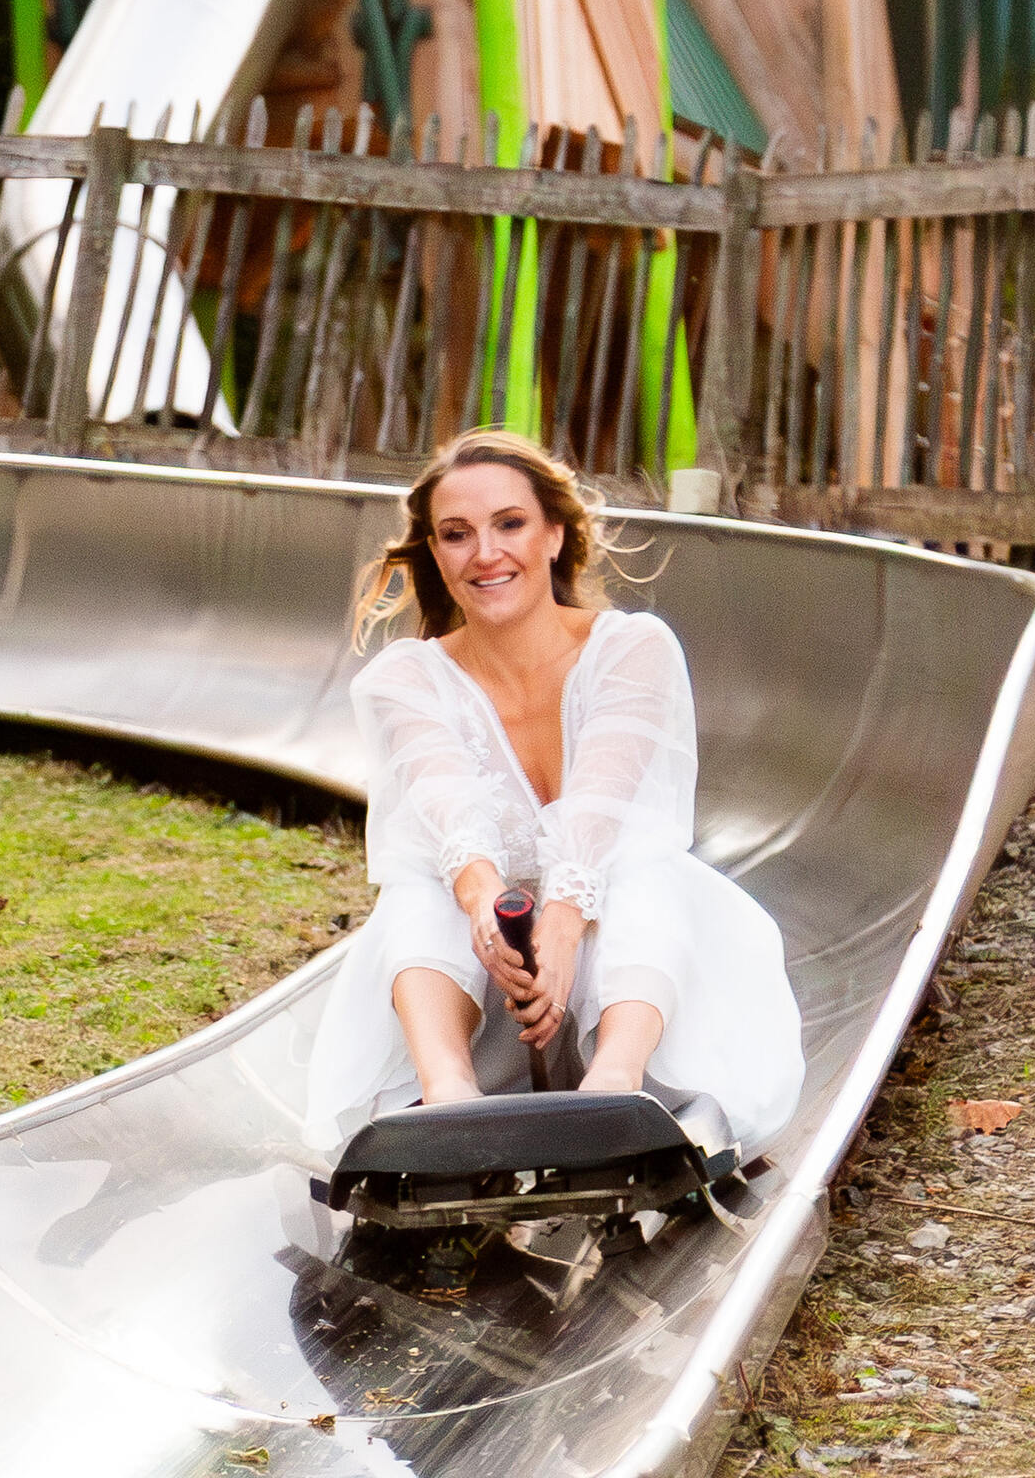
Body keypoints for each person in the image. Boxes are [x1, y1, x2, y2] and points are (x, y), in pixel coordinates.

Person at [304, 429, 804, 1157]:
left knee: (641, 860)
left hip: (622, 977)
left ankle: (615, 1089)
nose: (485, 554)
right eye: (457, 534)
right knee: (421, 887)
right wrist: (484, 909)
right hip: (490, 995)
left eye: (509, 524)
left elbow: (602, 807)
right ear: (435, 554)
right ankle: (448, 1098)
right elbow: (450, 814)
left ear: (553, 535)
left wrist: (564, 922)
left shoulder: (631, 649)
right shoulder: (403, 680)